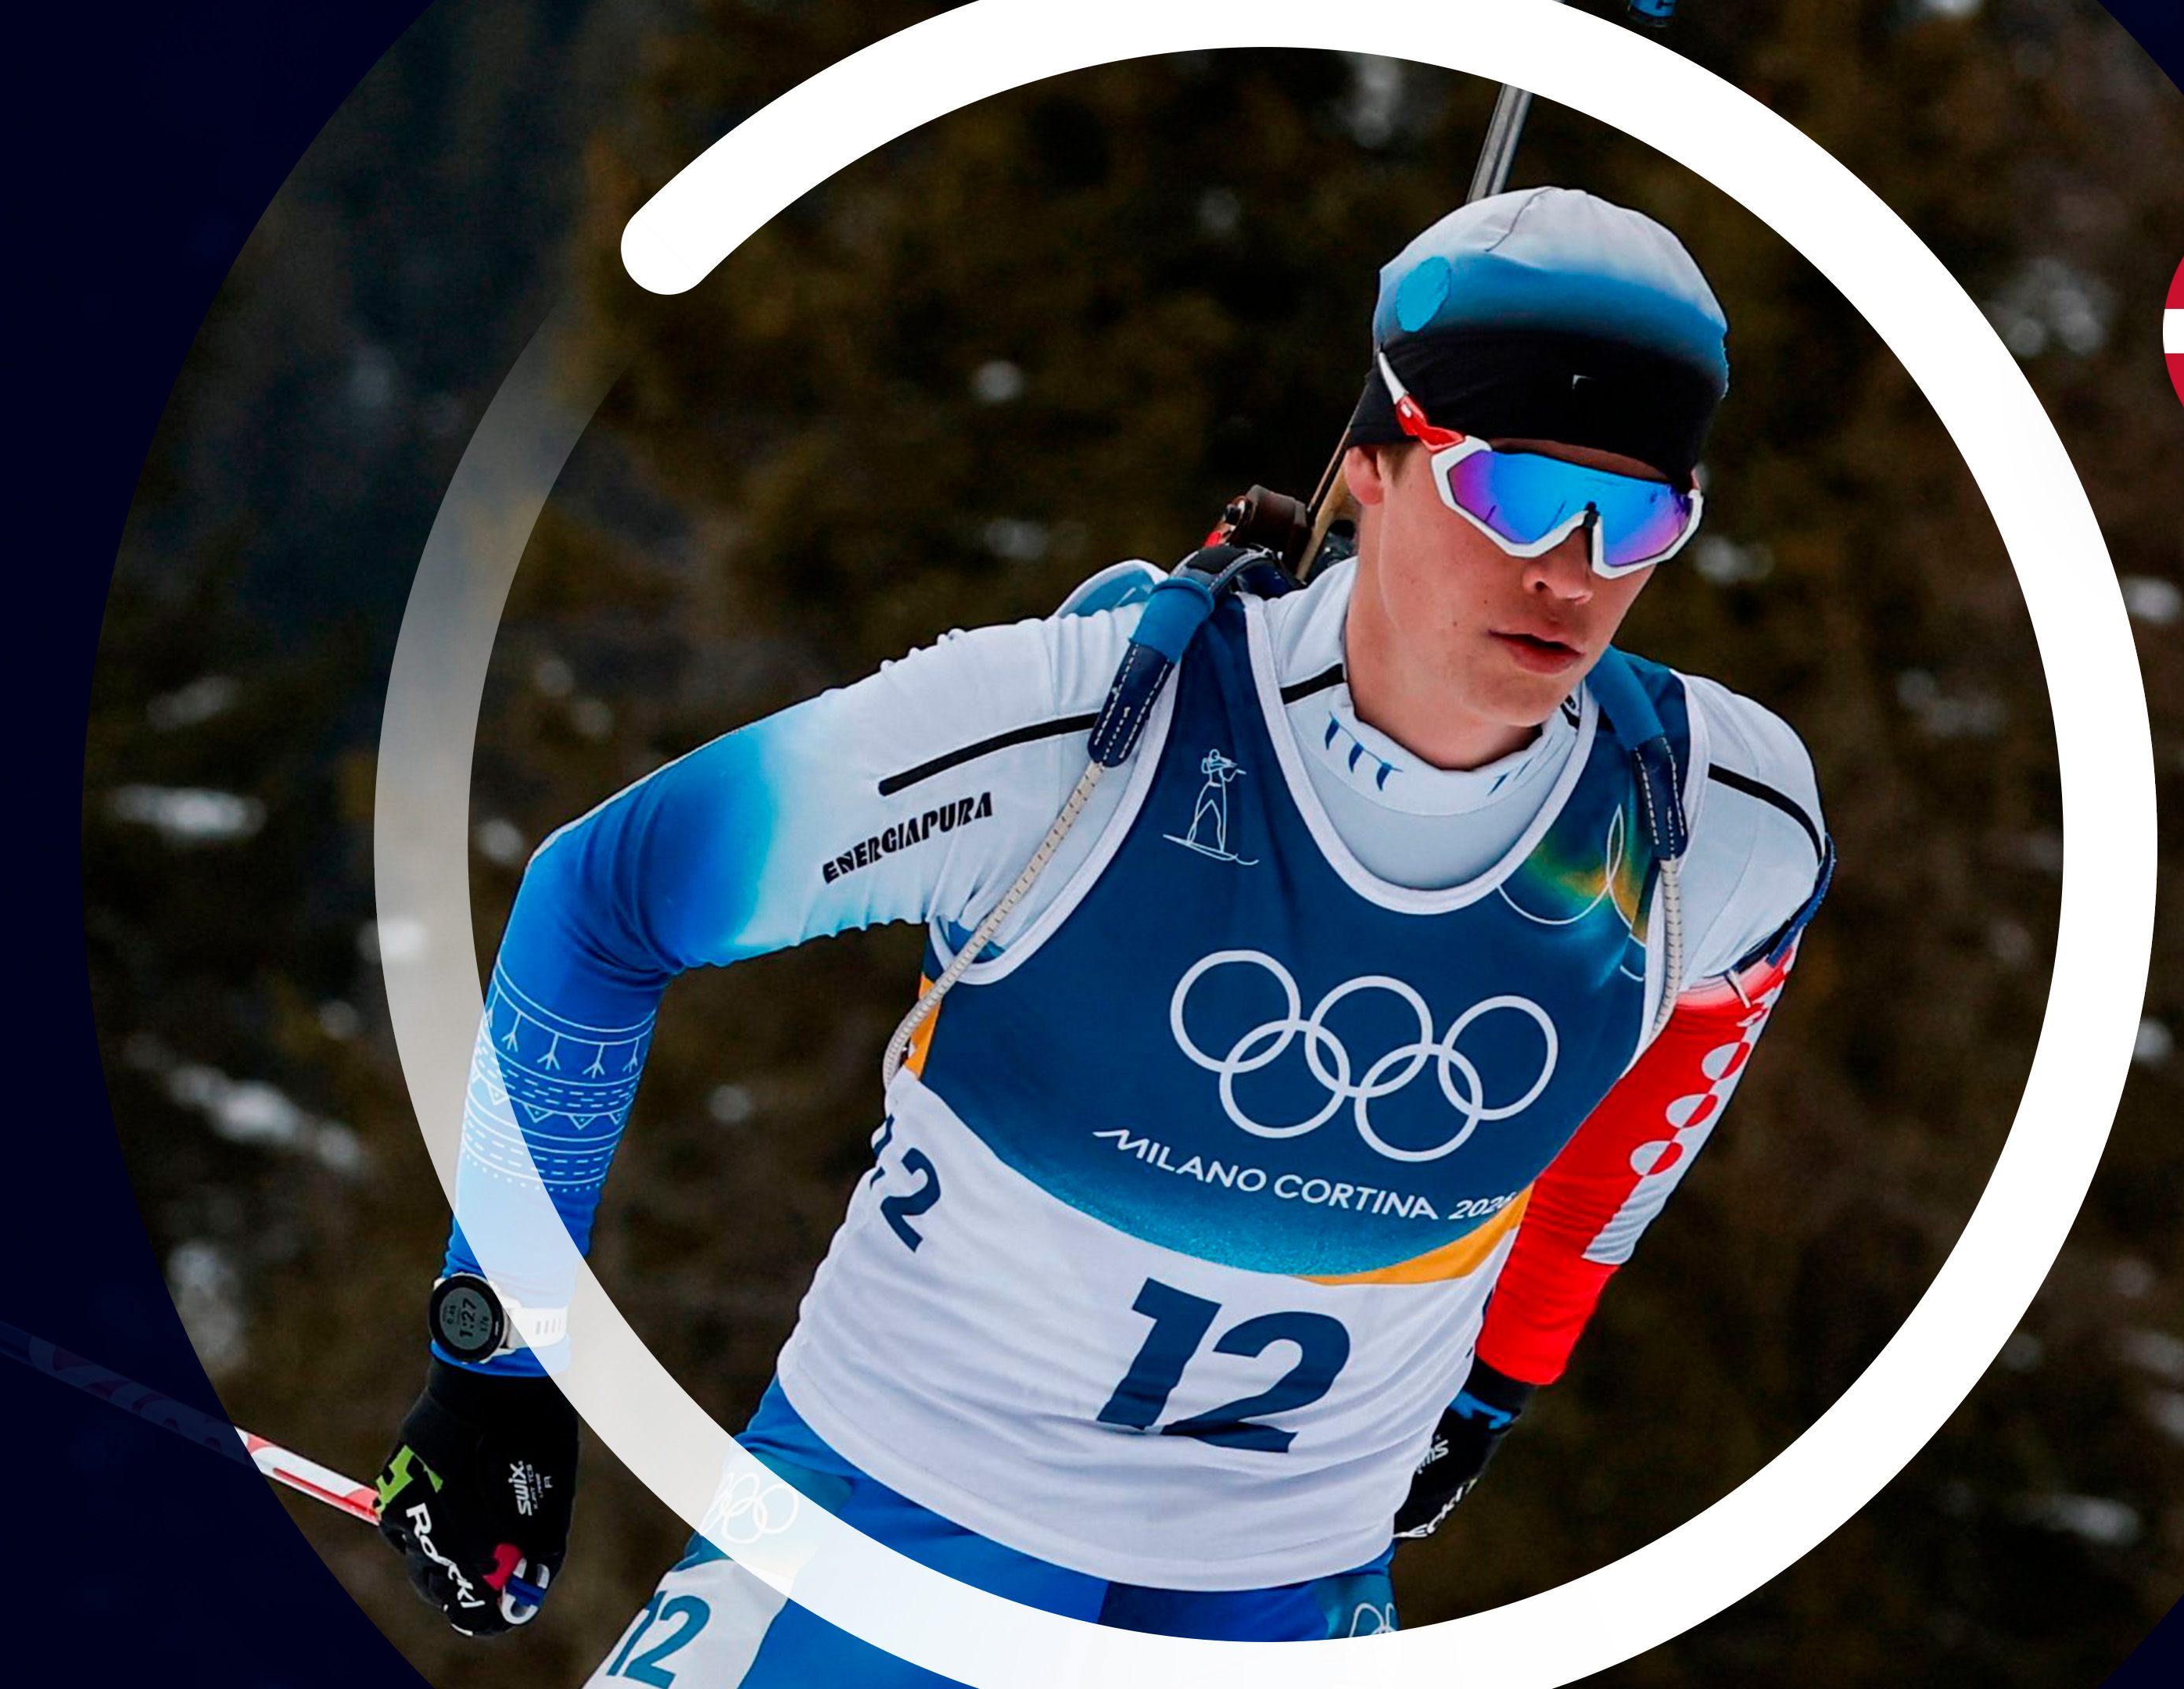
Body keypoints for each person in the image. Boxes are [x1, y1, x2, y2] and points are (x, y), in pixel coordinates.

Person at [374, 186, 1831, 1684]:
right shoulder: (1070, 735)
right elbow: (600, 899)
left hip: (1287, 1592)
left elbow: (1674, 1069)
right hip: (895, 1530)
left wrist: (1502, 1379)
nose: (1572, 570)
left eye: (1640, 516)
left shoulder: (1714, 827)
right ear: (1375, 466)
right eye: (1514, 495)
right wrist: (499, 1359)